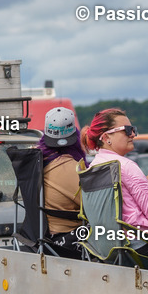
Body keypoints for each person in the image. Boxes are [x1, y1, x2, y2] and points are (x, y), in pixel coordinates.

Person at [85, 108, 148, 261]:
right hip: (139, 248)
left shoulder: (93, 167)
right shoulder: (125, 166)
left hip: (106, 249)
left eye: (133, 130)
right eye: (127, 130)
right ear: (107, 137)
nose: (133, 134)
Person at [39, 107, 85, 258]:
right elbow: (95, 209)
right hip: (69, 242)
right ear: (75, 136)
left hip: (42, 239)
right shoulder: (74, 168)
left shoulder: (34, 162)